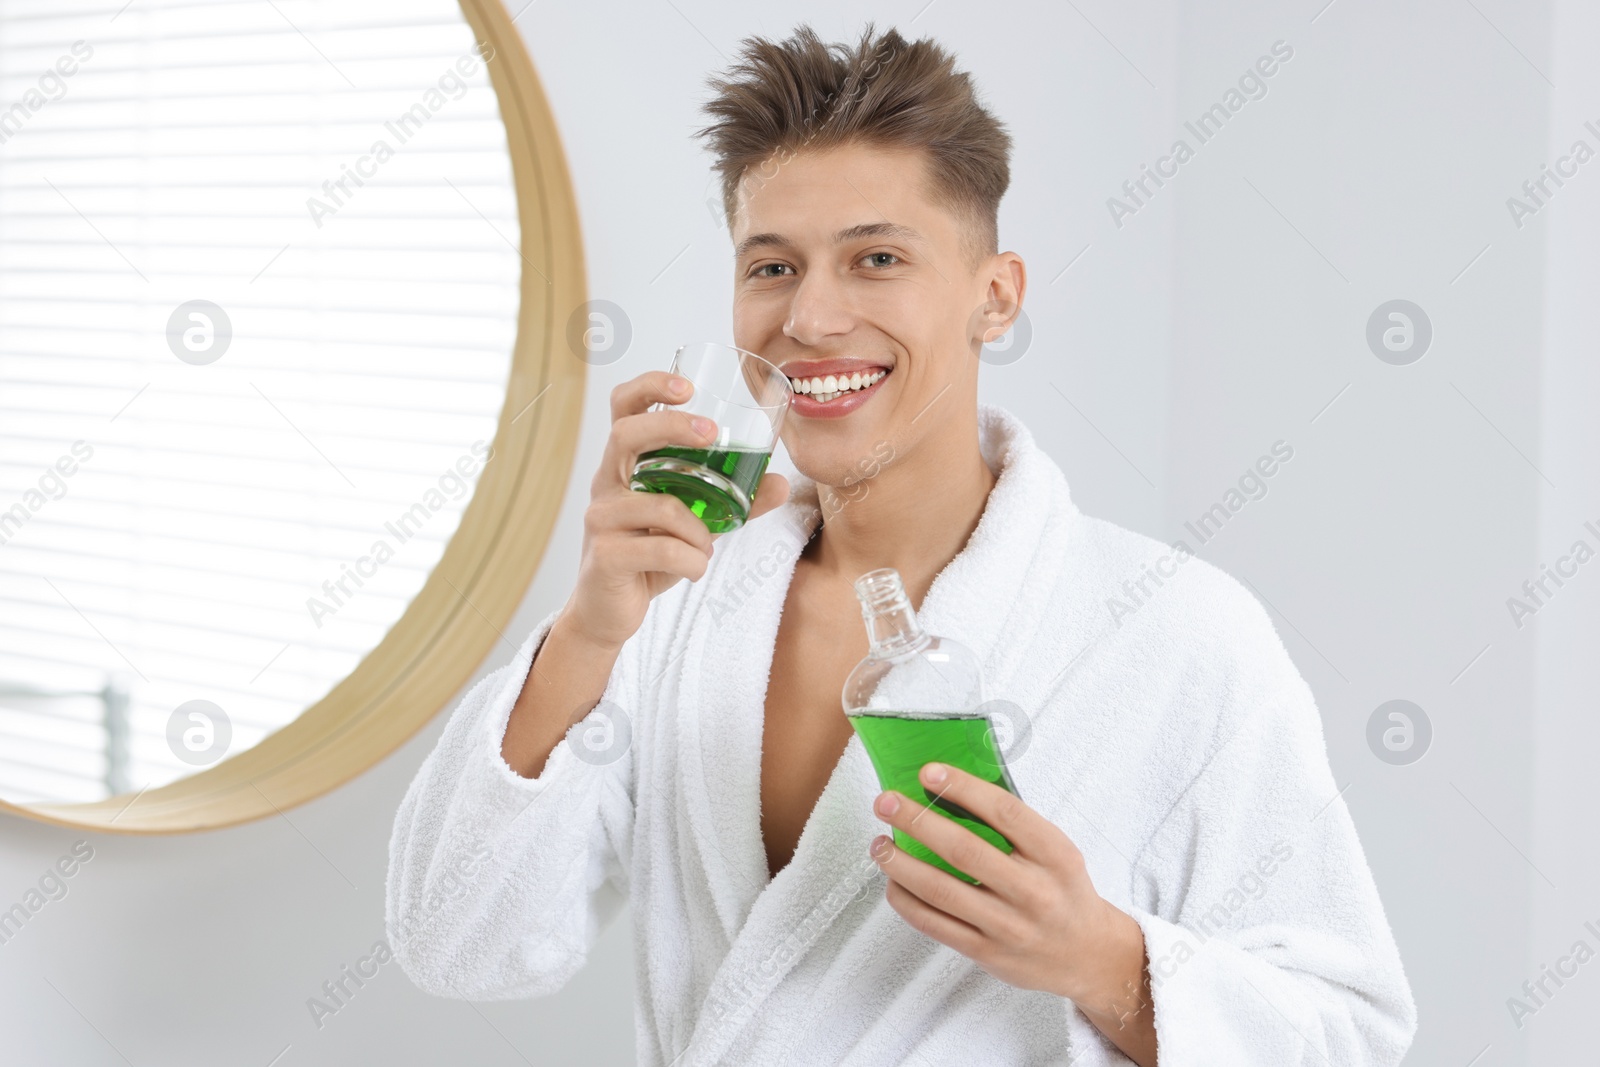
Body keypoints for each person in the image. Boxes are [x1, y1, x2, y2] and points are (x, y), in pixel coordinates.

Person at [386, 22, 1416, 1065]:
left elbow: (1350, 1029)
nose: (812, 316)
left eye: (876, 258)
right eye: (772, 266)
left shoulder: (1175, 630)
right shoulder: (682, 604)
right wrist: (589, 630)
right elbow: (457, 945)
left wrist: (1100, 957)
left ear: (995, 294)